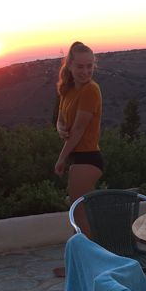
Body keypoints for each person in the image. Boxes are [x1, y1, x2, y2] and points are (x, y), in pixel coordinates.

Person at [53, 41, 104, 276]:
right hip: (78, 158)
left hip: (87, 158)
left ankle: (85, 267)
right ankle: (78, 264)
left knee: (80, 217)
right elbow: (62, 119)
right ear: (70, 66)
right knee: (77, 215)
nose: (85, 71)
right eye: (80, 66)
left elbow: (79, 131)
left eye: (89, 66)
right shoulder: (68, 89)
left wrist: (61, 158)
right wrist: (60, 127)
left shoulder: (91, 90)